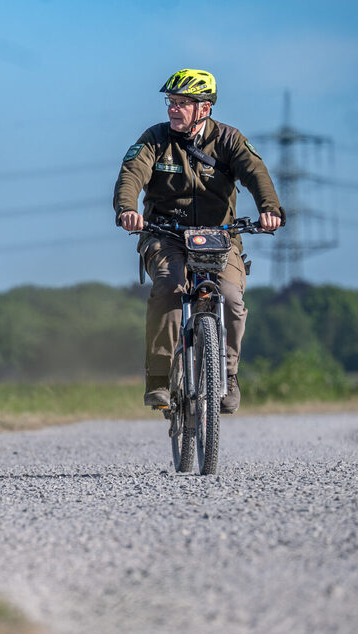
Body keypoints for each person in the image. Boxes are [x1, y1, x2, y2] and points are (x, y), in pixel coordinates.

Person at [114, 69, 284, 414]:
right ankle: (159, 378)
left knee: (233, 299)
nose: (173, 110)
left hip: (220, 237)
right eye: (171, 102)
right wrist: (127, 209)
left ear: (204, 109)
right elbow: (131, 174)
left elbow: (256, 174)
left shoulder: (229, 140)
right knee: (170, 287)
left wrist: (270, 209)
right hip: (166, 234)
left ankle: (229, 374)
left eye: (182, 104)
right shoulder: (154, 139)